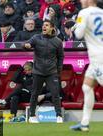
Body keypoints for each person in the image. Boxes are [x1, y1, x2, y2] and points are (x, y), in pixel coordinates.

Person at [70, 0, 103, 131]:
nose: (81, 1)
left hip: (98, 58)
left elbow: (78, 34)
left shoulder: (84, 13)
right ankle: (84, 123)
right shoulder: (102, 12)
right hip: (97, 57)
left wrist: (76, 25)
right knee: (86, 87)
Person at [24, 19, 64, 123]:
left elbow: (61, 57)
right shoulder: (36, 38)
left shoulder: (58, 41)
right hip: (38, 71)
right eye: (43, 25)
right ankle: (32, 116)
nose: (44, 27)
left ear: (52, 28)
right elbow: (26, 44)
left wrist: (58, 71)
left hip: (52, 72)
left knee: (55, 94)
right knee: (35, 94)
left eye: (46, 25)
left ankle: (59, 116)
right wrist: (26, 45)